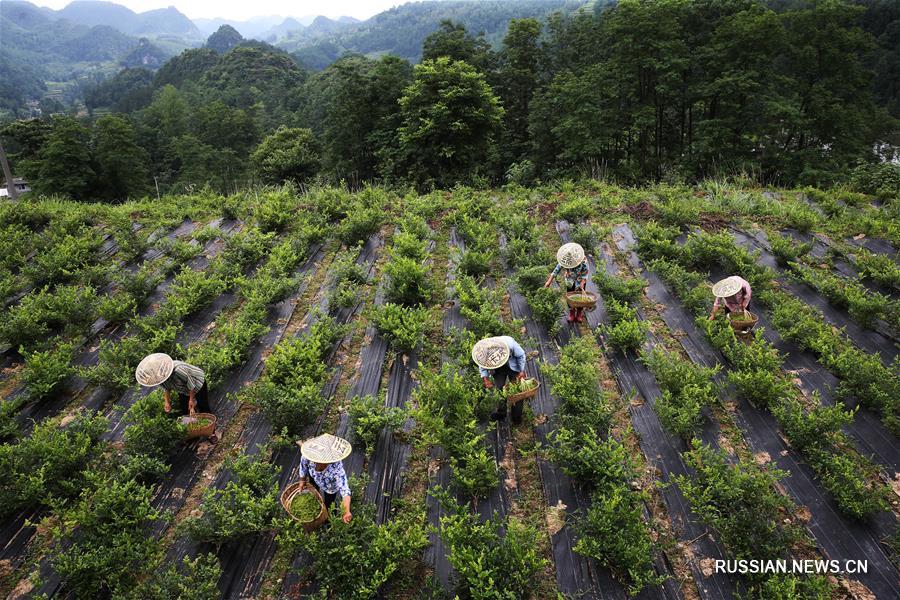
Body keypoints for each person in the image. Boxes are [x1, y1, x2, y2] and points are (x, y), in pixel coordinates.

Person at [135, 353, 217, 443]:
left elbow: (191, 385)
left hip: (197, 383)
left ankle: (211, 433)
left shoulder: (178, 370)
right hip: (182, 389)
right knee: (185, 410)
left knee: (203, 406)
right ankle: (194, 433)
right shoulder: (160, 377)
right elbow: (167, 388)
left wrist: (191, 399)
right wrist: (167, 402)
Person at [296, 433, 353, 523]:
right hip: (314, 477)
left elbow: (345, 489)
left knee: (329, 503)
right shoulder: (309, 456)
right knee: (314, 489)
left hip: (330, 487)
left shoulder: (336, 468)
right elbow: (303, 466)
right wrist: (302, 480)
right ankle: (317, 498)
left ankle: (328, 516)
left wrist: (346, 511)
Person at [472, 336, 528, 424]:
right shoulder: (484, 349)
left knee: (517, 391)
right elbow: (482, 364)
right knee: (499, 389)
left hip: (513, 364)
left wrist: (521, 371)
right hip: (498, 368)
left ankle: (516, 417)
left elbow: (521, 355)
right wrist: (485, 378)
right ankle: (501, 413)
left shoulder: (510, 344)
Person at [545, 242, 589, 323]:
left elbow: (585, 271)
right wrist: (549, 281)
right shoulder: (564, 259)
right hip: (570, 280)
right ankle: (572, 313)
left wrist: (583, 282)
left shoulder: (583, 259)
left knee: (580, 296)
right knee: (570, 296)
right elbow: (557, 269)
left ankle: (579, 314)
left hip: (580, 280)